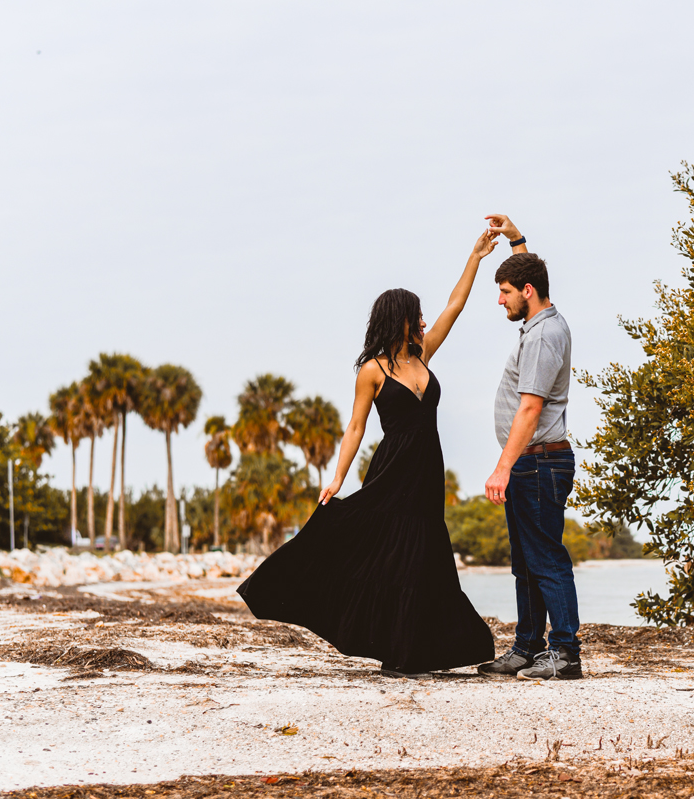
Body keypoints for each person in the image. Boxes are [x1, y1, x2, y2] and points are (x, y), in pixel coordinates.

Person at [236, 229, 500, 678]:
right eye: (415, 316)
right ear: (396, 318)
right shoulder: (372, 371)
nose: (422, 322)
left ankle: (415, 648)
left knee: (423, 552)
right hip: (392, 469)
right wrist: (336, 478)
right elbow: (355, 426)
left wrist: (474, 257)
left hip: (427, 469)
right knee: (387, 551)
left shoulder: (424, 355)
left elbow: (454, 307)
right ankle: (393, 649)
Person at [477, 214, 581, 681]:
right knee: (526, 562)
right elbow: (530, 271)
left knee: (546, 559)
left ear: (527, 294)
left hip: (537, 463)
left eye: (504, 293)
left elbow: (530, 410)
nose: (500, 300)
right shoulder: (540, 317)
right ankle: (526, 647)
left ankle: (564, 653)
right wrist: (516, 239)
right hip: (531, 464)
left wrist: (502, 467)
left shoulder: (542, 336)